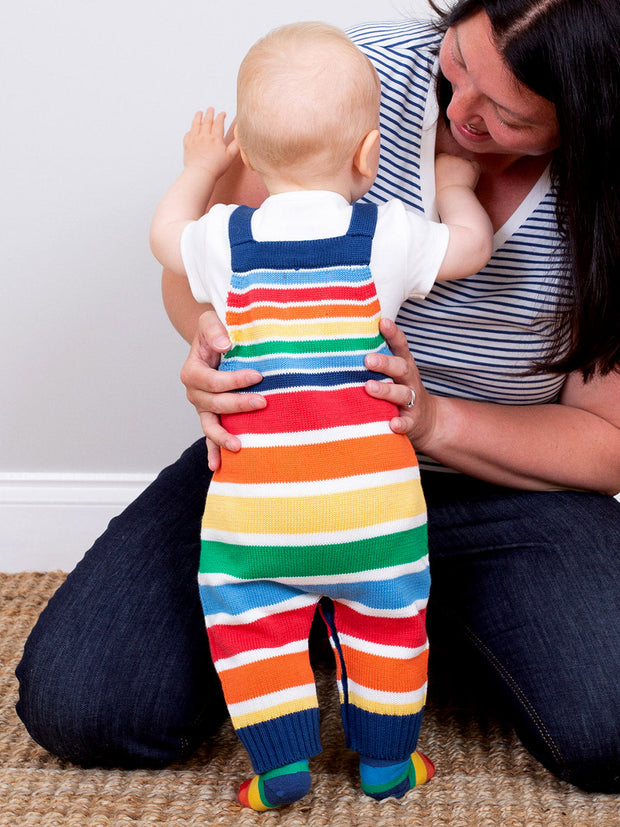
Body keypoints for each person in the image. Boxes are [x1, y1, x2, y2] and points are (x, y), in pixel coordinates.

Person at [16, 0, 620, 797]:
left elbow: (605, 437)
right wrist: (208, 349)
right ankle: (357, 619)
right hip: (277, 470)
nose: (460, 109)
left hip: (509, 485)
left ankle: (372, 618)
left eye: (505, 112)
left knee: (608, 728)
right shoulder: (342, 76)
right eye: (460, 64)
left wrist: (434, 419)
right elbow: (195, 271)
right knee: (85, 704)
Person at [149, 22, 492, 810]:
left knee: (253, 632)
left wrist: (200, 168)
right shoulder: (387, 238)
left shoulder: (224, 239)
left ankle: (280, 769)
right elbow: (469, 246)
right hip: (377, 508)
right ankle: (386, 763)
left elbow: (164, 238)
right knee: (390, 623)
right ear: (371, 156)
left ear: (254, 163)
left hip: (255, 518)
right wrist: (454, 187)